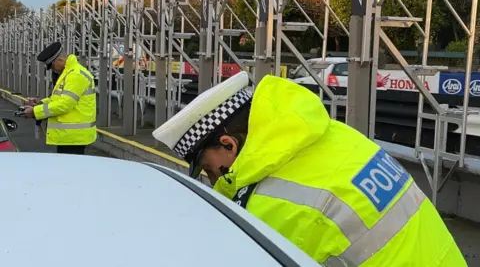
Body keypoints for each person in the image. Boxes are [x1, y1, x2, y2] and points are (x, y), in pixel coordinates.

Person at [152, 71, 466, 266]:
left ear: (229, 144)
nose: (211, 179)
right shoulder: (334, 134)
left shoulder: (270, 203)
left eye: (208, 168)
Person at [23, 42, 97, 155]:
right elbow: (58, 99)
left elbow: (65, 104)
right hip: (69, 136)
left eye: (51, 66)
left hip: (74, 137)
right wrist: (40, 103)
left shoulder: (75, 75)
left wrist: (35, 112)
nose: (52, 70)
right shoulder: (69, 73)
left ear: (59, 60)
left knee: (70, 171)